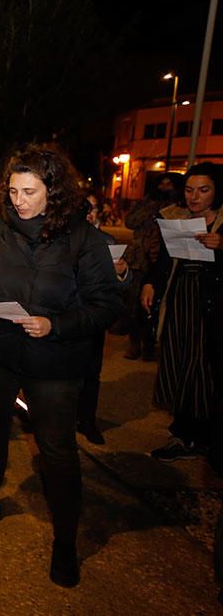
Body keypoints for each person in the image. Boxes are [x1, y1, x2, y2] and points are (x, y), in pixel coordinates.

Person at [0, 147, 122, 588]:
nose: (18, 199)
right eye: (12, 190)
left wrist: (55, 324)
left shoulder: (84, 239)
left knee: (57, 448)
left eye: (29, 191)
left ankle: (65, 541)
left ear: (54, 192)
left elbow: (107, 305)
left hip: (54, 361)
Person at [140, 163, 223, 461]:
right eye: (189, 190)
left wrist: (221, 246)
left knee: (204, 368)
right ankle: (182, 434)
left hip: (213, 307)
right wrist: (150, 283)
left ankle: (204, 436)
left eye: (203, 190)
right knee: (178, 361)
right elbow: (162, 261)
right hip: (181, 301)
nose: (195, 197)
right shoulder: (175, 218)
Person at [78, 190, 131, 445]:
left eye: (94, 208)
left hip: (93, 317)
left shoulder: (108, 241)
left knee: (90, 372)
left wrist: (121, 272)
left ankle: (87, 421)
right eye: (84, 208)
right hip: (64, 314)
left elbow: (122, 286)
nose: (89, 213)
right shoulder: (59, 238)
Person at [123, 173, 180, 361]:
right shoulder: (146, 203)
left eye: (169, 184)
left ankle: (151, 344)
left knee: (157, 303)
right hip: (139, 259)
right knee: (134, 304)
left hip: (165, 259)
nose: (165, 187)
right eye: (161, 184)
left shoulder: (178, 208)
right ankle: (135, 343)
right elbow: (130, 221)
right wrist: (151, 208)